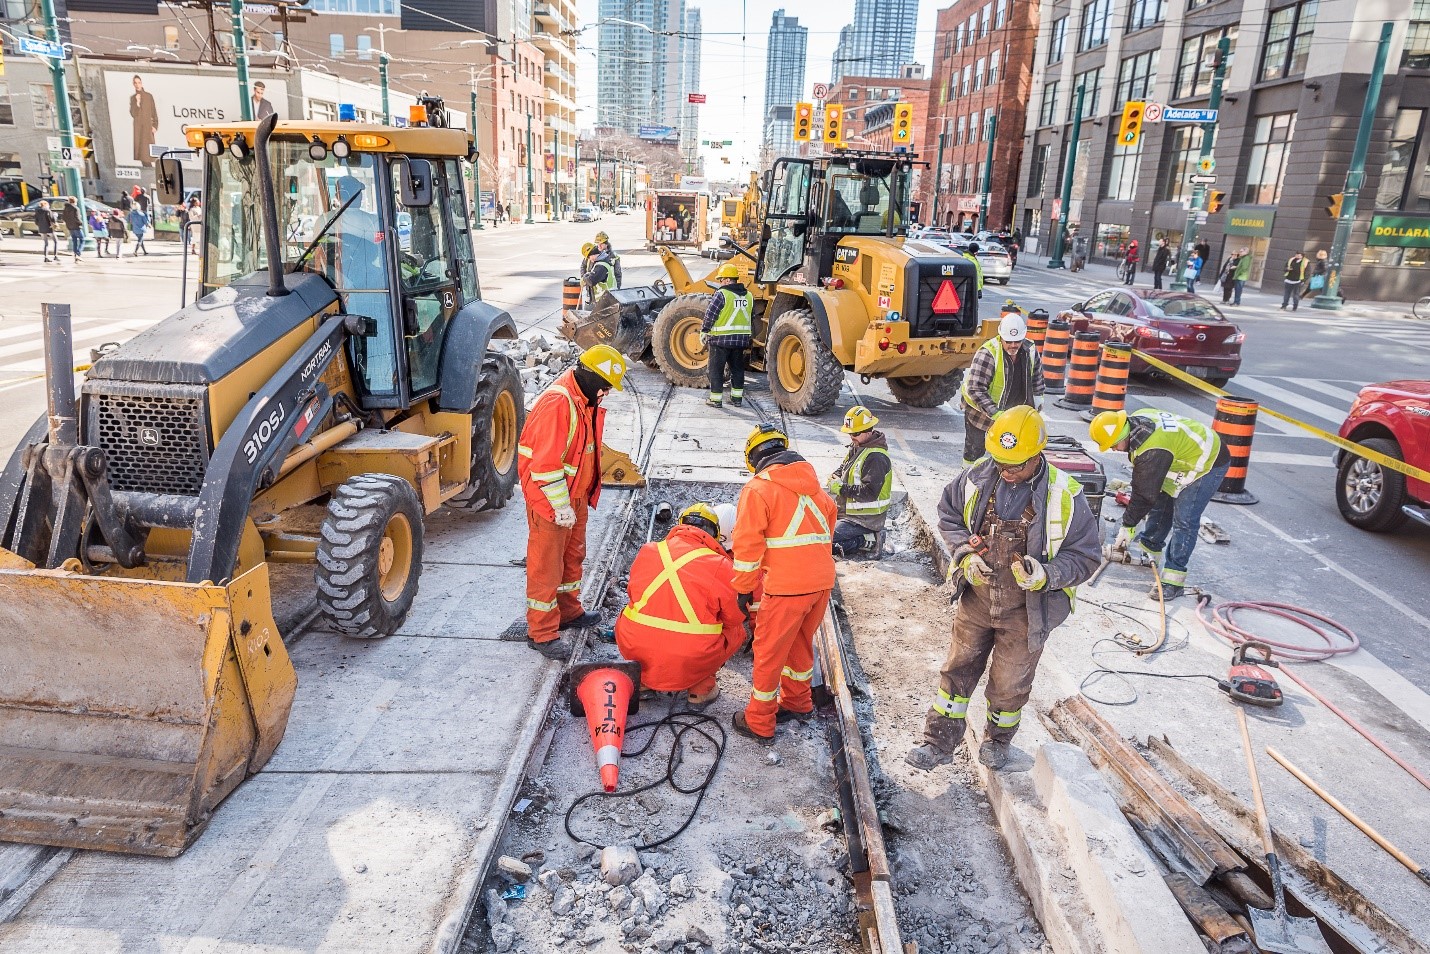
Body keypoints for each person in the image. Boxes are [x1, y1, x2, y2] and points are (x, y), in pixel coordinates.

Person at [907, 406, 1100, 771]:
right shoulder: (978, 476)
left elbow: (1086, 557)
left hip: (1028, 610)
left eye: (1015, 465)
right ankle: (937, 742)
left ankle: (997, 742)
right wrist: (965, 554)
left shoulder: (1065, 494)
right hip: (977, 599)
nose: (1006, 472)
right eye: (1001, 463)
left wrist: (1046, 573)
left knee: (1010, 683)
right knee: (957, 672)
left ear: (1036, 455)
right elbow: (949, 514)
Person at [517, 344, 628, 661]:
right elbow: (545, 466)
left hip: (572, 496)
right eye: (606, 384)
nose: (607, 391)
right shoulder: (558, 404)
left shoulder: (583, 399)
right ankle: (541, 633)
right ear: (591, 376)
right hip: (552, 500)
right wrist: (560, 506)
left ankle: (569, 612)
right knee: (546, 567)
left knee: (572, 557)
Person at [730, 424, 838, 745]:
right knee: (800, 645)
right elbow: (824, 537)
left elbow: (747, 546)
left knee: (768, 652)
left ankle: (760, 722)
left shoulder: (758, 490)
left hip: (786, 588)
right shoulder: (817, 491)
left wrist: (743, 589)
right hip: (820, 585)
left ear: (755, 458)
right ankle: (797, 701)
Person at [1089, 408, 1231, 600]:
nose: (1113, 449)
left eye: (1113, 445)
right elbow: (1149, 490)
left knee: (1185, 520)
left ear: (1123, 435)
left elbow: (1144, 495)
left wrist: (1128, 525)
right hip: (1178, 459)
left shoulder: (1152, 450)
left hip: (1207, 463)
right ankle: (1150, 554)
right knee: (1161, 504)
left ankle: (1173, 581)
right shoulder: (1139, 423)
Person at [616, 502, 744, 708]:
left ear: (679, 525)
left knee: (634, 613)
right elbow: (735, 617)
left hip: (633, 646)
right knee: (736, 631)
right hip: (690, 658)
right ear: (715, 534)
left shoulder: (649, 550)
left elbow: (633, 594)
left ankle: (645, 682)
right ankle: (700, 689)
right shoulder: (721, 565)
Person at [959, 309, 1044, 466]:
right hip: (981, 413)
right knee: (975, 449)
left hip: (1013, 411)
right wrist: (996, 414)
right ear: (1001, 337)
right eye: (1009, 341)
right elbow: (975, 389)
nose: (1013, 345)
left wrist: (1038, 396)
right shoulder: (988, 353)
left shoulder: (1030, 350)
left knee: (1011, 450)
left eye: (1017, 341)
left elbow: (1037, 376)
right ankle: (967, 478)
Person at [826, 405, 892, 559]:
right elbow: (842, 469)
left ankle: (869, 540)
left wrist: (841, 489)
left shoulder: (876, 458)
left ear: (869, 430)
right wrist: (834, 478)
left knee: (825, 540)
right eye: (850, 433)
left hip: (865, 519)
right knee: (819, 532)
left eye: (855, 433)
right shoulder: (858, 446)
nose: (852, 437)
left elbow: (869, 493)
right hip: (849, 513)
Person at [701, 262, 753, 407]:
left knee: (715, 370)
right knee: (737, 370)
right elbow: (751, 316)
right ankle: (737, 399)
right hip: (740, 341)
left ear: (728, 280)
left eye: (722, 279)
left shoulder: (722, 294)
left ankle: (716, 400)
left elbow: (710, 314)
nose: (720, 282)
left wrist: (704, 330)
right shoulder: (749, 295)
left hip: (720, 340)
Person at [129, 75, 159, 167]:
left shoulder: (148, 96)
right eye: (135, 83)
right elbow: (133, 113)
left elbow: (154, 111)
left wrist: (155, 125)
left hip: (147, 127)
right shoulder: (133, 98)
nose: (137, 85)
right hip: (138, 128)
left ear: (141, 83)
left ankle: (152, 171)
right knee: (141, 154)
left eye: (139, 82)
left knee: (149, 153)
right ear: (133, 84)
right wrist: (137, 103)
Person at [60, 197, 84, 261]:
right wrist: (81, 223)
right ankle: (78, 254)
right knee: (82, 239)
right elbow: (77, 218)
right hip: (76, 226)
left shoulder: (65, 208)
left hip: (70, 227)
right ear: (75, 201)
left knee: (74, 240)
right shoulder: (76, 208)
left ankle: (75, 253)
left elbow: (64, 218)